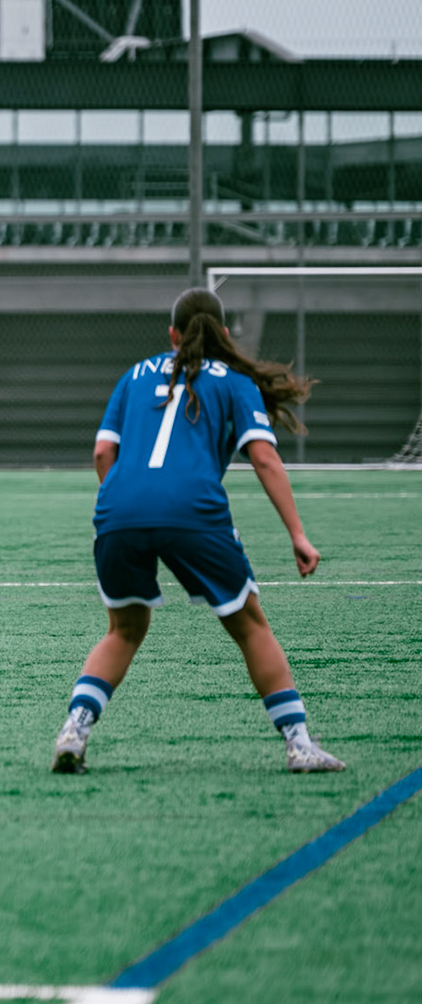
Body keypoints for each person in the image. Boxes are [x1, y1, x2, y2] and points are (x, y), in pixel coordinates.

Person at [52, 287, 343, 774]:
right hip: (192, 510)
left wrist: (130, 502)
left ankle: (74, 730)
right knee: (249, 626)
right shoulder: (234, 380)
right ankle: (299, 745)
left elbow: (103, 453)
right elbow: (265, 457)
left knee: (124, 629)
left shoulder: (133, 375)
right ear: (224, 335)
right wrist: (297, 533)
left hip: (118, 509)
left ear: (172, 334)